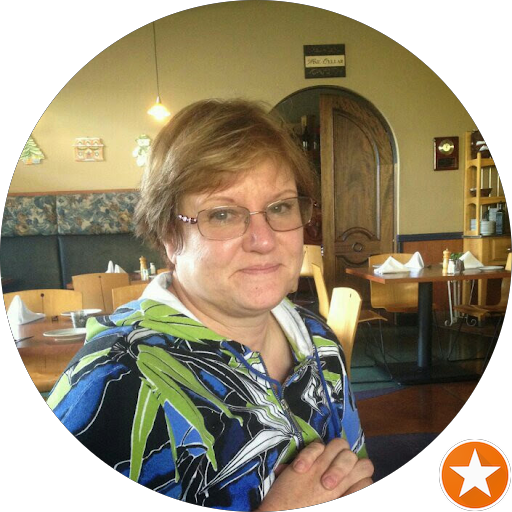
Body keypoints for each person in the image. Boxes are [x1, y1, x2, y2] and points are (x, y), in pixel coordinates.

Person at [48, 98, 374, 510]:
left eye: (280, 207)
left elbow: (355, 471)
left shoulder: (318, 337)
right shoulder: (113, 383)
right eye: (222, 214)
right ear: (169, 235)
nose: (264, 240)